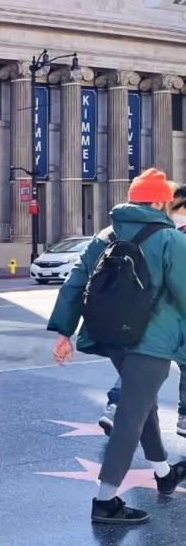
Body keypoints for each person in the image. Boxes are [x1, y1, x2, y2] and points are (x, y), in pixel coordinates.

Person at [49, 168, 186, 525]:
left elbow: (76, 283)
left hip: (112, 337)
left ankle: (163, 472)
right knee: (131, 413)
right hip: (152, 343)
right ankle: (105, 501)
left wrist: (64, 333)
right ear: (159, 201)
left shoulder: (104, 235)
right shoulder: (171, 239)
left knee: (142, 404)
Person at [98, 183, 186, 438]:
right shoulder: (162, 233)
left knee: (142, 362)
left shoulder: (151, 232)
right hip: (164, 314)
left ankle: (115, 407)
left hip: (148, 313)